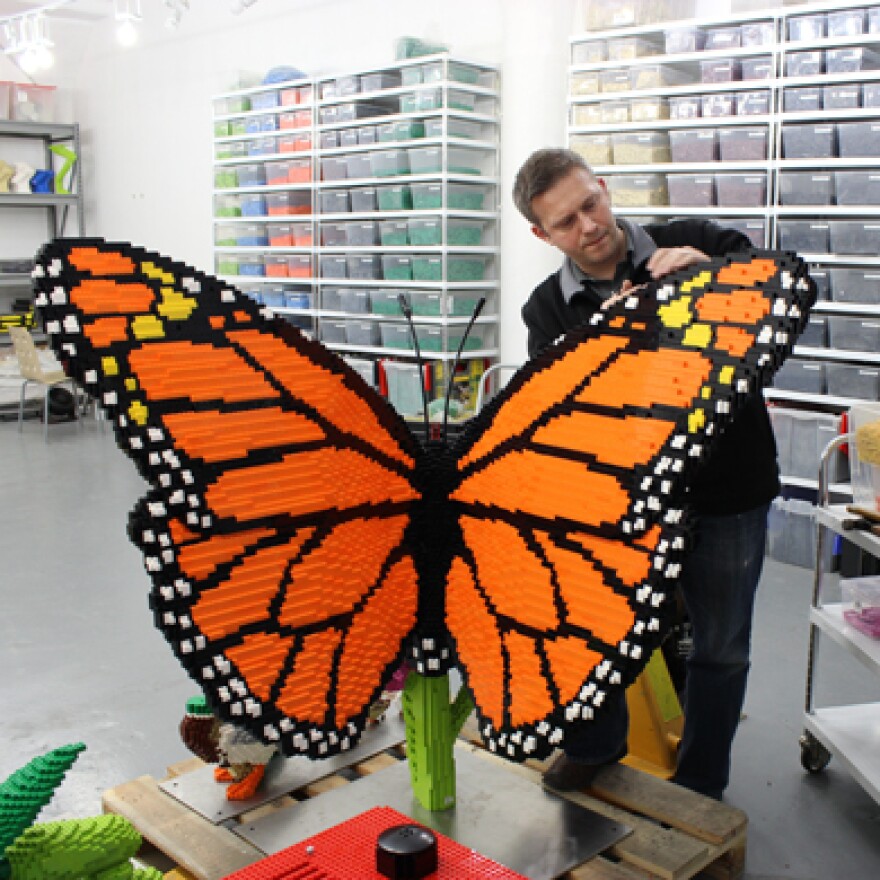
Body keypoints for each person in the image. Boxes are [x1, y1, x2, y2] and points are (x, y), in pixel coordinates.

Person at [513, 148, 780, 800]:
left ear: (603, 188)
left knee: (720, 648)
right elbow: (564, 423)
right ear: (541, 235)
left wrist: (716, 276)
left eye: (591, 204)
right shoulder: (546, 311)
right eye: (567, 222)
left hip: (729, 489)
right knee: (599, 628)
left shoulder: (701, 241)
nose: (590, 226)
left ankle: (700, 784)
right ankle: (596, 745)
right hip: (626, 506)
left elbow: (782, 289)